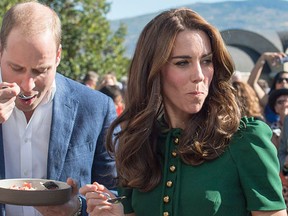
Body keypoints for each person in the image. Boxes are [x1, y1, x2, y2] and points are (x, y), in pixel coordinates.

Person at [80, 8, 287, 216]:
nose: (199, 75)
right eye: (182, 63)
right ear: (153, 70)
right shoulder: (138, 143)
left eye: (206, 61)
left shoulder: (245, 139)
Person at [0, 2, 118, 216]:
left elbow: (119, 194)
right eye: (16, 68)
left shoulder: (96, 108)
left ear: (58, 56)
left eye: (40, 70)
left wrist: (79, 207)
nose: (28, 85)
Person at [247, 52, 288, 125]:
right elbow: (251, 83)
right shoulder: (268, 100)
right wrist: (263, 58)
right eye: (280, 80)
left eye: (287, 80)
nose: (284, 82)